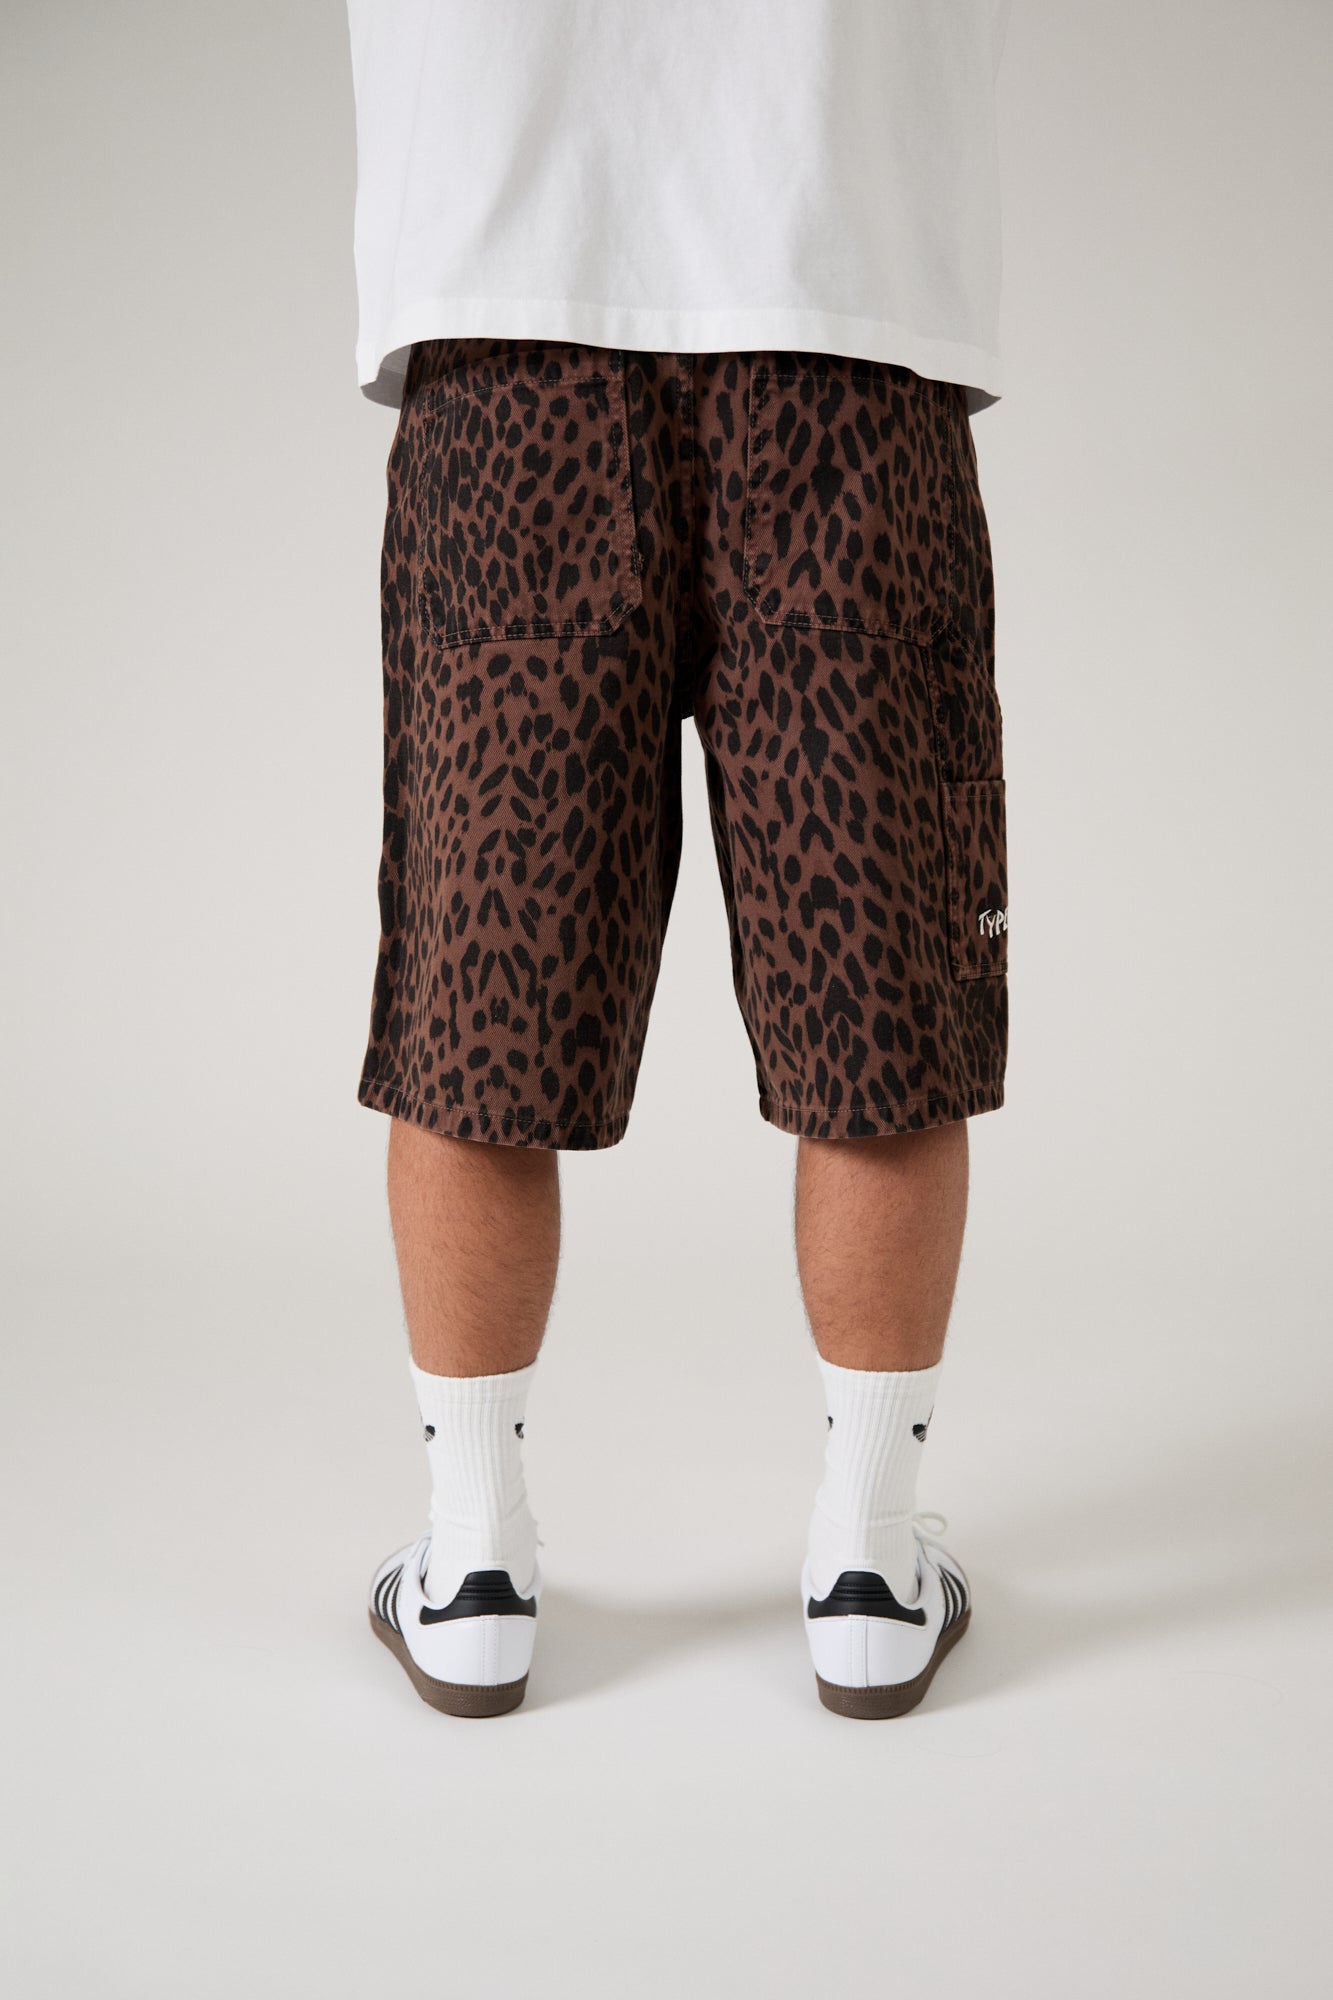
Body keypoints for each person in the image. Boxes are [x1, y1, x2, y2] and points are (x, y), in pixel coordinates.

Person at [347, 0, 1012, 1719]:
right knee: (875, 1004)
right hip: (843, 335)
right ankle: (868, 1568)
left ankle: (472, 1568)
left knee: (480, 1009)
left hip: (510, 346)